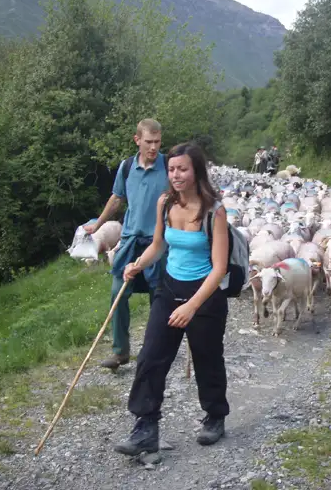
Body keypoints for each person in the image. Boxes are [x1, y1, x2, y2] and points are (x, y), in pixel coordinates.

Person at [114, 142, 230, 456]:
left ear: (196, 172)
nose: (175, 175)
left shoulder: (214, 211)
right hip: (169, 288)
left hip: (205, 295)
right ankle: (145, 427)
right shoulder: (165, 202)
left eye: (182, 169)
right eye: (172, 169)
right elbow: (158, 245)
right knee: (151, 356)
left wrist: (192, 306)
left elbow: (219, 268)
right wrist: (137, 265)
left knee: (207, 358)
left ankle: (215, 416)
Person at [84, 119, 169, 370]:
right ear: (137, 140)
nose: (153, 147)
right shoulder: (127, 166)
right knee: (117, 294)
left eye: (157, 142)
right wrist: (98, 225)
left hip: (159, 241)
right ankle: (120, 352)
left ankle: (156, 350)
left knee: (159, 297)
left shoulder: (169, 166)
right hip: (131, 240)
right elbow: (117, 198)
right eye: (148, 142)